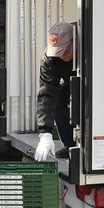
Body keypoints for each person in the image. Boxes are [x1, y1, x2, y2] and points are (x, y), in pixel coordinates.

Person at [34, 22, 76, 161]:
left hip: (91, 82)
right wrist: (45, 133)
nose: (61, 56)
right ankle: (70, 146)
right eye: (57, 52)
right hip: (70, 80)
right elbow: (47, 93)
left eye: (64, 51)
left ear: (73, 41)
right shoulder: (49, 58)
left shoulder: (89, 45)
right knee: (57, 102)